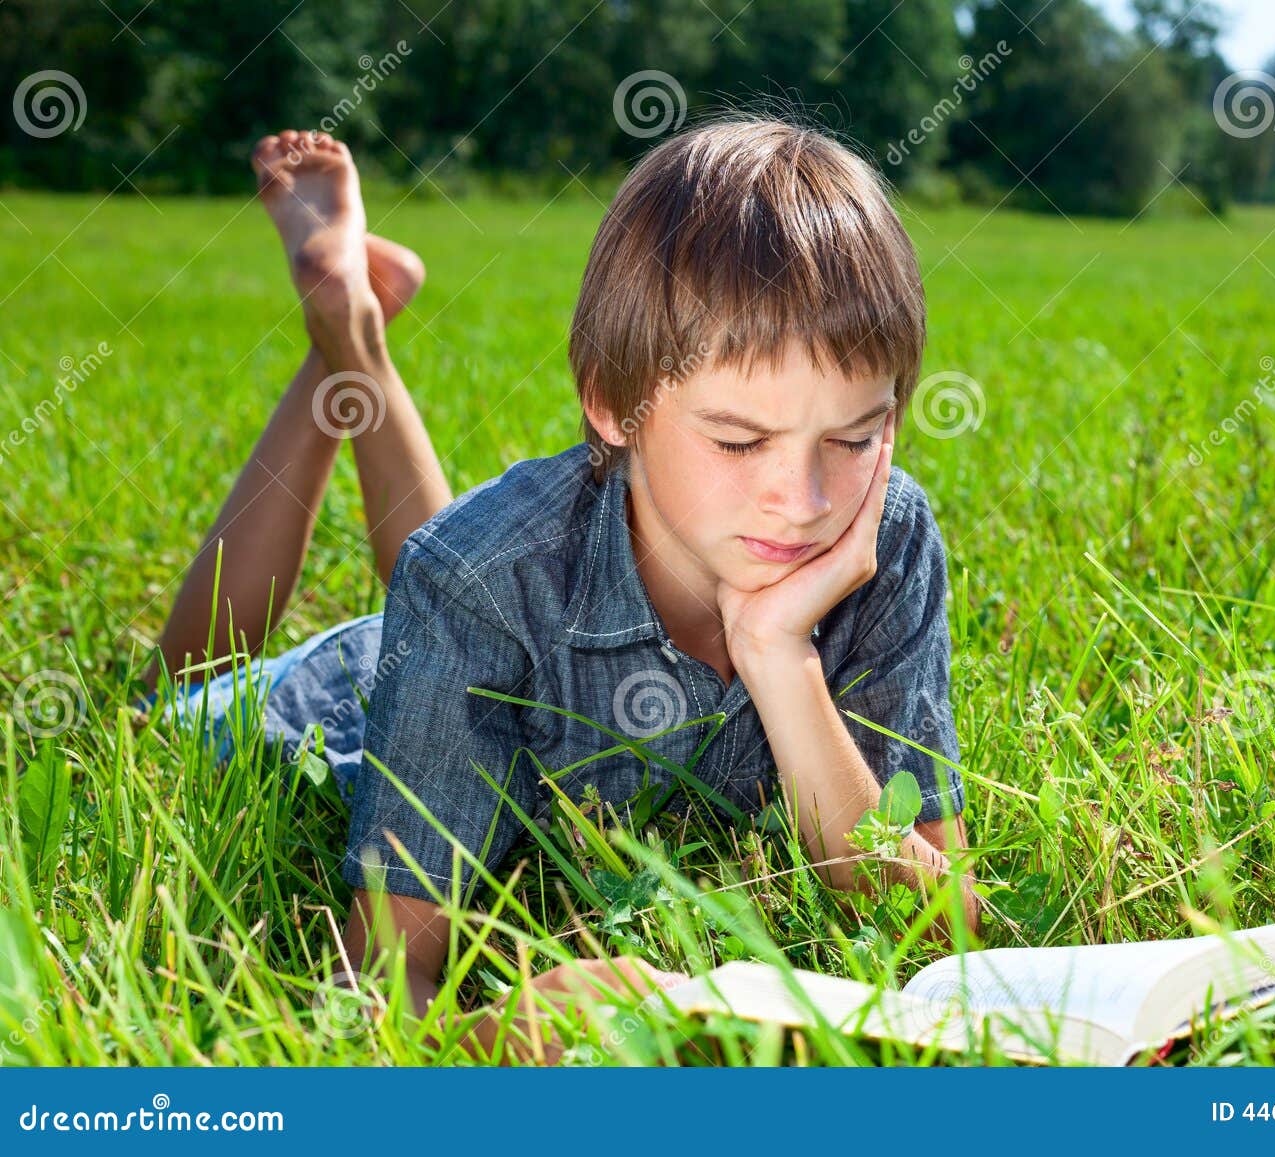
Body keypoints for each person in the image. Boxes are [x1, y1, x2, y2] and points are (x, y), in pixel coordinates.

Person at [135, 116, 976, 1058]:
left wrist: (780, 656)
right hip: (324, 705)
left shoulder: (887, 532)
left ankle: (356, 335)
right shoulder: (473, 576)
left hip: (486, 608)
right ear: (613, 406)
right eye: (739, 440)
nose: (804, 500)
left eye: (856, 436)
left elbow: (942, 929)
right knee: (186, 681)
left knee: (486, 578)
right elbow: (379, 980)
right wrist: (494, 1028)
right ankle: (346, 331)